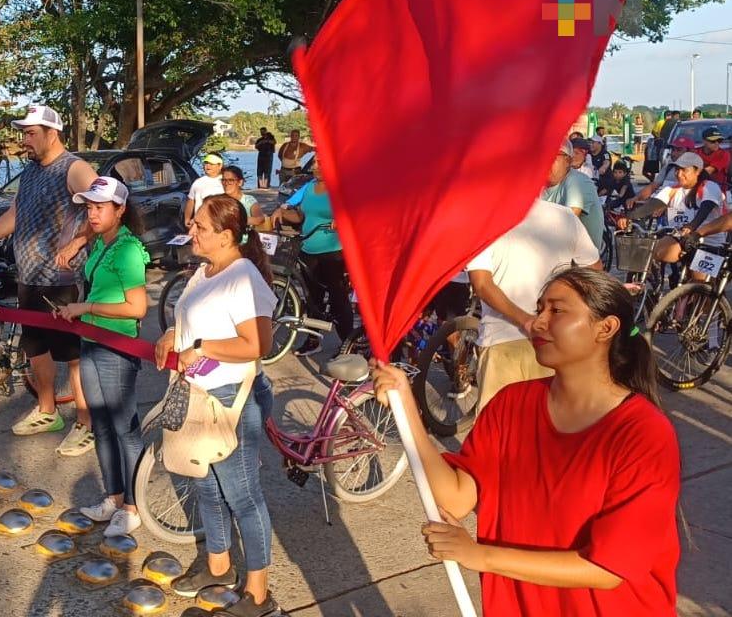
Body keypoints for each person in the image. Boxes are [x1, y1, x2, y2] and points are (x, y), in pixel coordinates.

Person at [373, 267, 680, 617]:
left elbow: (608, 568)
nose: (538, 322)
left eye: (557, 310)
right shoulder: (511, 404)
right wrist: (407, 408)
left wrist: (481, 556)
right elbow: (456, 499)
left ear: (605, 328)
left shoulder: (644, 433)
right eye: (539, 309)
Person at [155, 194, 279, 617]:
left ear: (226, 236)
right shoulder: (206, 271)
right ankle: (219, 568)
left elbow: (258, 345)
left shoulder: (243, 278)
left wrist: (203, 346)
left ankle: (259, 596)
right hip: (197, 395)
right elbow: (188, 318)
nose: (192, 230)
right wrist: (173, 336)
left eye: (200, 227)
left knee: (243, 496)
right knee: (205, 488)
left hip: (229, 401)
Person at [0, 105, 98, 454]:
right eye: (23, 133)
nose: (24, 140)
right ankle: (49, 410)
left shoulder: (74, 168)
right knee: (36, 348)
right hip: (29, 275)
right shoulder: (32, 171)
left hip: (62, 279)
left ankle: (86, 423)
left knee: (73, 355)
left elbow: (104, 205)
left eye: (31, 133)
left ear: (53, 133)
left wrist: (80, 240)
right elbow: (15, 214)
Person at [55, 177, 149, 537]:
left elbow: (137, 307)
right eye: (89, 207)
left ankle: (133, 506)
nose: (92, 214)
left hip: (117, 348)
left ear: (120, 209)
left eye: (100, 207)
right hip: (91, 340)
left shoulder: (127, 249)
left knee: (125, 428)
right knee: (102, 425)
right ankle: (113, 496)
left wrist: (85, 306)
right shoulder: (101, 245)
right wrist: (76, 312)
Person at [466, 199, 601, 409]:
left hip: (502, 342)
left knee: (498, 433)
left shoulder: (484, 219)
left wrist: (527, 321)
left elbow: (482, 284)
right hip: (557, 341)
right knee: (550, 430)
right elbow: (594, 273)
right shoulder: (565, 216)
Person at [269, 154, 357, 356]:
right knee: (311, 299)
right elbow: (296, 212)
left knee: (339, 300)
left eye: (320, 162)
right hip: (307, 247)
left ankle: (348, 346)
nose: (315, 166)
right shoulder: (308, 187)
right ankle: (313, 339)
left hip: (333, 252)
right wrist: (281, 211)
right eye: (315, 162)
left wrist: (342, 219)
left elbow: (356, 212)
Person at [616, 152, 726, 282]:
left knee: (700, 285)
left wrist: (691, 227)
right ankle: (652, 286)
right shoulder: (672, 188)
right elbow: (653, 205)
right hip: (681, 239)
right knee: (648, 253)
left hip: (708, 243)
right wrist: (629, 217)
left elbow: (705, 208)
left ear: (698, 171)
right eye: (677, 170)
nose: (679, 174)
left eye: (684, 170)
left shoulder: (709, 187)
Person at [542, 138, 606, 250]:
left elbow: (569, 219)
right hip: (552, 250)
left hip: (579, 260)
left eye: (553, 156)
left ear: (568, 160)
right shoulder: (541, 185)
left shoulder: (577, 181)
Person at [629, 136, 694, 207]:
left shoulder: (697, 171)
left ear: (690, 152)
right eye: (673, 150)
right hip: (666, 212)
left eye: (679, 150)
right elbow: (653, 186)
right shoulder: (668, 168)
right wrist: (636, 198)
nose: (674, 153)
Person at [184, 152, 225, 228]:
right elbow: (190, 201)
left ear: (220, 166)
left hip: (220, 222)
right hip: (200, 223)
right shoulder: (198, 182)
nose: (207, 166)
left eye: (211, 164)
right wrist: (187, 219)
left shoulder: (225, 181)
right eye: (206, 163)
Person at [697, 126, 729, 191]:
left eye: (719, 140)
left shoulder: (723, 154)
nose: (717, 143)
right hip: (697, 188)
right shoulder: (696, 152)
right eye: (713, 141)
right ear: (704, 141)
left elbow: (706, 172)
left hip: (718, 191)